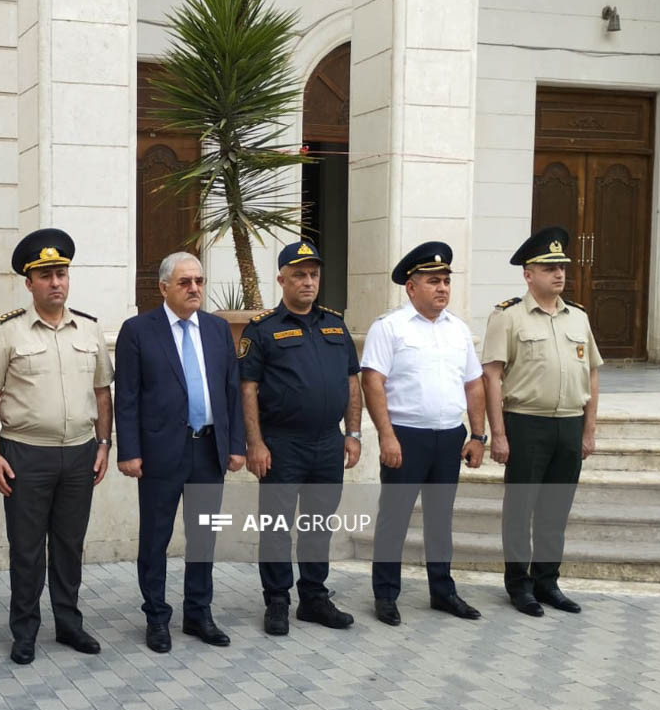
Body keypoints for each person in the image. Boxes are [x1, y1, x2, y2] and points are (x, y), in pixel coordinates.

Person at [0, 229, 114, 665]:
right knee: (27, 548)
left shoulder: (89, 330)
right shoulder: (7, 333)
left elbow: (102, 392)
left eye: (61, 273)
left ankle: (69, 624)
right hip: (24, 453)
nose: (56, 281)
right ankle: (25, 630)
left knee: (70, 544)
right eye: (46, 275)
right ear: (29, 282)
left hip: (78, 452)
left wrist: (104, 443)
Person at [114, 252, 246, 653]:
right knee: (156, 537)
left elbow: (231, 392)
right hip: (159, 453)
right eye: (185, 282)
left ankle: (198, 613)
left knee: (204, 534)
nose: (194, 289)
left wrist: (235, 445)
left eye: (199, 281)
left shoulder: (217, 330)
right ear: (164, 287)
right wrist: (130, 451)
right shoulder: (138, 331)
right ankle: (156, 616)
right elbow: (128, 397)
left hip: (208, 449)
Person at [239, 241, 362, 636]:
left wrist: (354, 433)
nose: (308, 282)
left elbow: (351, 382)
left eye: (313, 274)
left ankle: (313, 598)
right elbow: (248, 389)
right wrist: (255, 443)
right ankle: (277, 600)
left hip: (328, 442)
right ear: (282, 280)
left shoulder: (334, 324)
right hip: (282, 444)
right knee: (276, 525)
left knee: (317, 524)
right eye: (299, 275)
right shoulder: (263, 329)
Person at [361, 242, 486, 626]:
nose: (443, 288)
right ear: (411, 287)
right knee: (394, 518)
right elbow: (372, 382)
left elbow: (475, 385)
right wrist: (386, 436)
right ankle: (385, 594)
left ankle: (443, 591)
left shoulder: (458, 330)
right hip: (406, 436)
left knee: (439, 518)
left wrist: (477, 435)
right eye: (434, 281)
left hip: (449, 437)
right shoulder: (389, 327)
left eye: (446, 280)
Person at [481, 226, 601, 616]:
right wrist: (497, 433)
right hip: (526, 423)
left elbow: (593, 375)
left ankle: (548, 582)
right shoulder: (508, 317)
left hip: (568, 424)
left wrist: (588, 429)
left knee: (555, 509)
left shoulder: (578, 318)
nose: (559, 273)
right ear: (528, 274)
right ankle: (519, 585)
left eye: (562, 266)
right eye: (549, 267)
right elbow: (492, 376)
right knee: (521, 508)